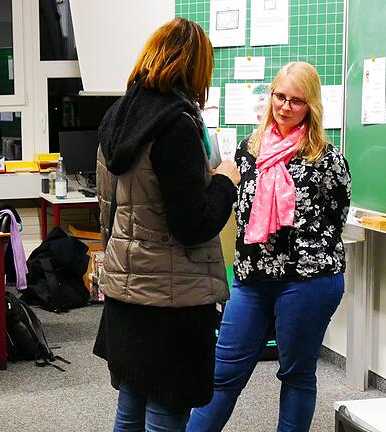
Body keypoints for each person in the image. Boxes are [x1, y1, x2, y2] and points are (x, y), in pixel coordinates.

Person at [186, 62, 352, 432]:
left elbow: (337, 214)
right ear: (271, 96)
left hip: (308, 280)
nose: (286, 106)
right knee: (223, 373)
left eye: (297, 100)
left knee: (296, 373)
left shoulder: (326, 158)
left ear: (311, 106)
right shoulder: (249, 151)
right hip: (251, 279)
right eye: (280, 96)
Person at [93, 18, 241, 432]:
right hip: (172, 298)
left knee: (131, 408)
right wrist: (226, 182)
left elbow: (107, 211)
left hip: (128, 288)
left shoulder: (118, 117)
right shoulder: (175, 125)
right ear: (195, 69)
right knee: (165, 414)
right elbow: (192, 224)